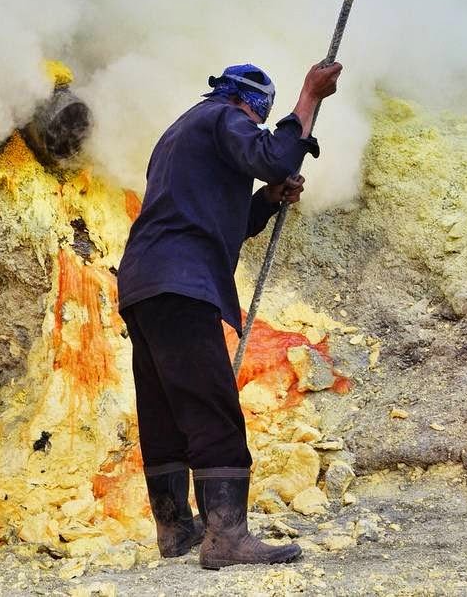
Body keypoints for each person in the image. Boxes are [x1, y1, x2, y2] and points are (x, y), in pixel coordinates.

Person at [117, 61, 342, 568]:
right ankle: (226, 538)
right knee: (212, 407)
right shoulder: (223, 117)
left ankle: (176, 530)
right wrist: (309, 97)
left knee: (165, 409)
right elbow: (273, 156)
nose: (257, 123)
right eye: (260, 114)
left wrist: (267, 200)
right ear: (249, 101)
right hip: (180, 281)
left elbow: (218, 221)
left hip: (145, 282)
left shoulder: (180, 135)